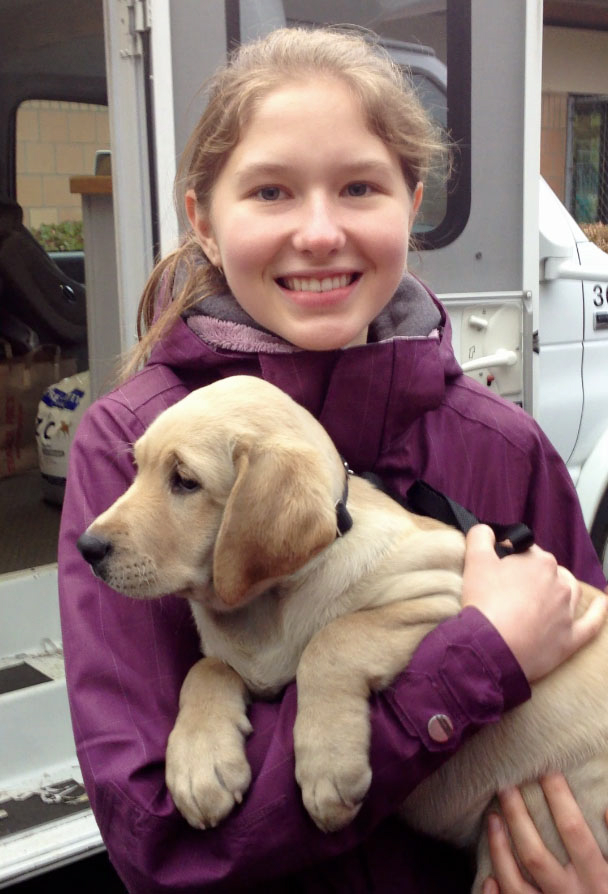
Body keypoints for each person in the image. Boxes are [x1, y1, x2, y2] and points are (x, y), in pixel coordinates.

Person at [58, 26, 608, 893]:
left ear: (411, 204)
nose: (320, 234)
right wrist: (470, 667)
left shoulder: (506, 446)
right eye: (271, 191)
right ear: (203, 220)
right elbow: (159, 848)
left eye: (359, 187)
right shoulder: (131, 447)